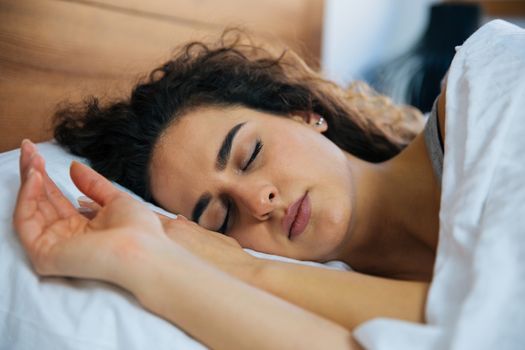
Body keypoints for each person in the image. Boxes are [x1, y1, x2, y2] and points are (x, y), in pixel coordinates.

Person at [14, 31, 443, 349]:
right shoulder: (346, 306)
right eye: (220, 218)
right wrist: (141, 258)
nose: (258, 201)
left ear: (302, 113)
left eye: (250, 154)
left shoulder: (480, 107)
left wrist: (243, 269)